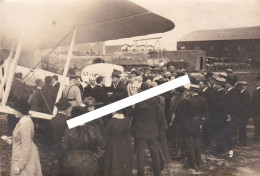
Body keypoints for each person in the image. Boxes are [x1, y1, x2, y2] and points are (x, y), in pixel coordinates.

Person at [61, 105, 106, 176]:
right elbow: (102, 143)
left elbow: (64, 146)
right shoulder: (93, 129)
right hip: (90, 162)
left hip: (72, 162)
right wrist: (95, 157)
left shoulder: (69, 129)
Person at [132, 83, 161, 176]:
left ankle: (141, 173)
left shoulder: (139, 101)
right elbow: (158, 115)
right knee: (155, 152)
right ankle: (157, 172)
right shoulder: (156, 100)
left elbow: (134, 115)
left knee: (140, 153)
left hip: (140, 130)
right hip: (152, 129)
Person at [11, 99, 42, 176]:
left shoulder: (25, 124)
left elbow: (26, 147)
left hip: (25, 158)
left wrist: (19, 166)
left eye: (15, 110)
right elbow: (21, 139)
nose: (13, 112)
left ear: (20, 110)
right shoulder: (25, 120)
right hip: (23, 153)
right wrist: (10, 140)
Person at [183, 85, 208, 169]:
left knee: (189, 144)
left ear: (192, 91)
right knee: (197, 143)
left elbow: (184, 113)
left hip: (189, 124)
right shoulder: (204, 99)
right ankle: (199, 162)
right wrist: (202, 123)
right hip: (199, 124)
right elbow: (206, 113)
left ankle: (192, 163)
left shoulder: (188, 101)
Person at [103, 110, 133, 176]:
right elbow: (128, 134)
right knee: (123, 163)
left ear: (114, 112)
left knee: (114, 163)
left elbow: (106, 135)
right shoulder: (126, 121)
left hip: (113, 146)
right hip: (124, 145)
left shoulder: (110, 122)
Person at [50, 97, 71, 175]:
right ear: (66, 109)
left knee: (60, 163)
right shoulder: (67, 121)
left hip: (55, 146)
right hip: (66, 147)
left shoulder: (53, 119)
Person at [237, 81, 252, 146]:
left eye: (240, 86)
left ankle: (243, 141)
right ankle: (242, 140)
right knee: (241, 127)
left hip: (243, 114)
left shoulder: (245, 93)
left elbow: (245, 104)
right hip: (242, 113)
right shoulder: (242, 93)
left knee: (242, 127)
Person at [252, 75, 260, 141]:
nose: (255, 83)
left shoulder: (258, 91)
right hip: (256, 111)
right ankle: (257, 136)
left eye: (257, 81)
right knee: (256, 124)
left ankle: (257, 137)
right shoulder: (256, 90)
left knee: (257, 124)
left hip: (258, 111)